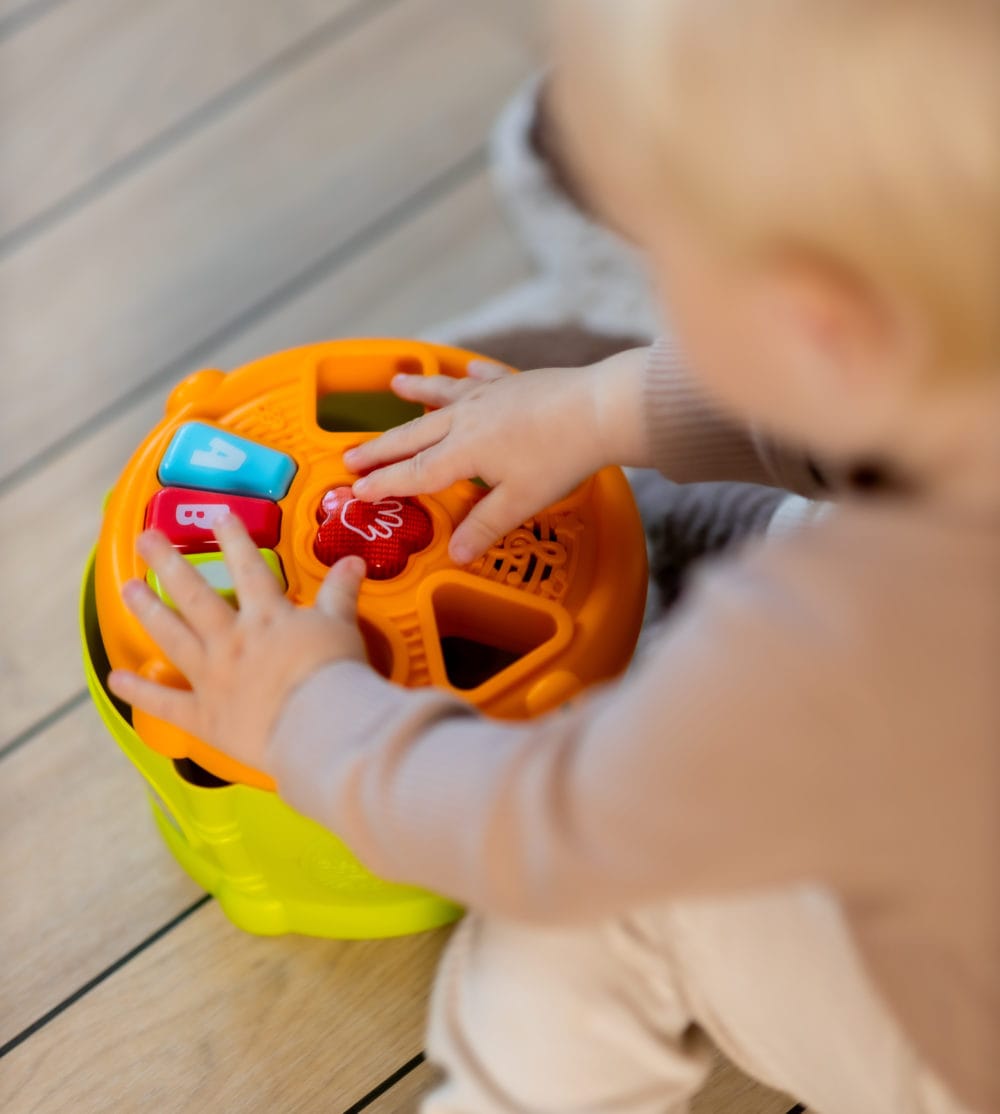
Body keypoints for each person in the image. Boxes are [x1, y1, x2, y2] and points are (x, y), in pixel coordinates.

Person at [107, 0, 1000, 1110]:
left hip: (930, 1035)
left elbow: (536, 831)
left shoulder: (824, 650)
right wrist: (606, 407)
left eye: (662, 258)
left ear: (813, 320)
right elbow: (861, 421)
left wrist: (304, 712)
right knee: (755, 516)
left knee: (579, 920)